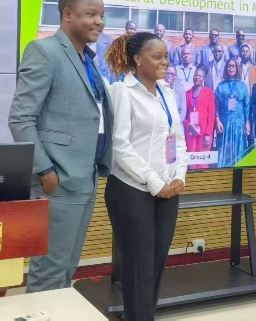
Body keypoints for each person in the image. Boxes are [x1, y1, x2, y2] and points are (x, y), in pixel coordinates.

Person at [8, 0, 113, 292]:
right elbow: (21, 118)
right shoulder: (44, 51)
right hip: (57, 180)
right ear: (68, 15)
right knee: (49, 272)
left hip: (86, 177)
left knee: (67, 269)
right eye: (91, 14)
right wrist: (44, 169)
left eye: (102, 16)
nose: (99, 22)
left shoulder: (88, 59)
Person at [104, 31, 187, 321]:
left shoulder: (168, 92)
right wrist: (154, 181)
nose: (165, 62)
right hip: (131, 189)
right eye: (157, 56)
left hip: (168, 189)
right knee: (138, 264)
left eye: (166, 56)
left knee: (155, 262)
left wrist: (179, 176)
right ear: (138, 59)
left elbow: (177, 139)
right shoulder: (122, 91)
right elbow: (120, 146)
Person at [215, 58, 251, 168]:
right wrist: (217, 120)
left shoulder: (242, 85)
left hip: (239, 122)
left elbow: (247, 105)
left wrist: (247, 122)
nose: (231, 68)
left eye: (233, 66)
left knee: (239, 147)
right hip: (224, 121)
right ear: (226, 68)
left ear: (237, 68)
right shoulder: (220, 86)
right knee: (225, 148)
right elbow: (216, 105)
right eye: (229, 66)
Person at [183, 65, 215, 169]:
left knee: (202, 162)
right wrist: (189, 126)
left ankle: (203, 179)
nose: (197, 77)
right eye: (195, 75)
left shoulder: (209, 93)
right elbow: (184, 114)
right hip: (191, 132)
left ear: (204, 79)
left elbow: (211, 115)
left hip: (204, 132)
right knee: (192, 161)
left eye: (200, 76)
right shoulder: (186, 94)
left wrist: (208, 134)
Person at [164, 66, 187, 133]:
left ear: (176, 76)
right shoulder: (158, 88)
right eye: (167, 73)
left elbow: (182, 111)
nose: (169, 76)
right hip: (163, 127)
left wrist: (174, 124)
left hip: (176, 127)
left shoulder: (180, 89)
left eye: (172, 74)